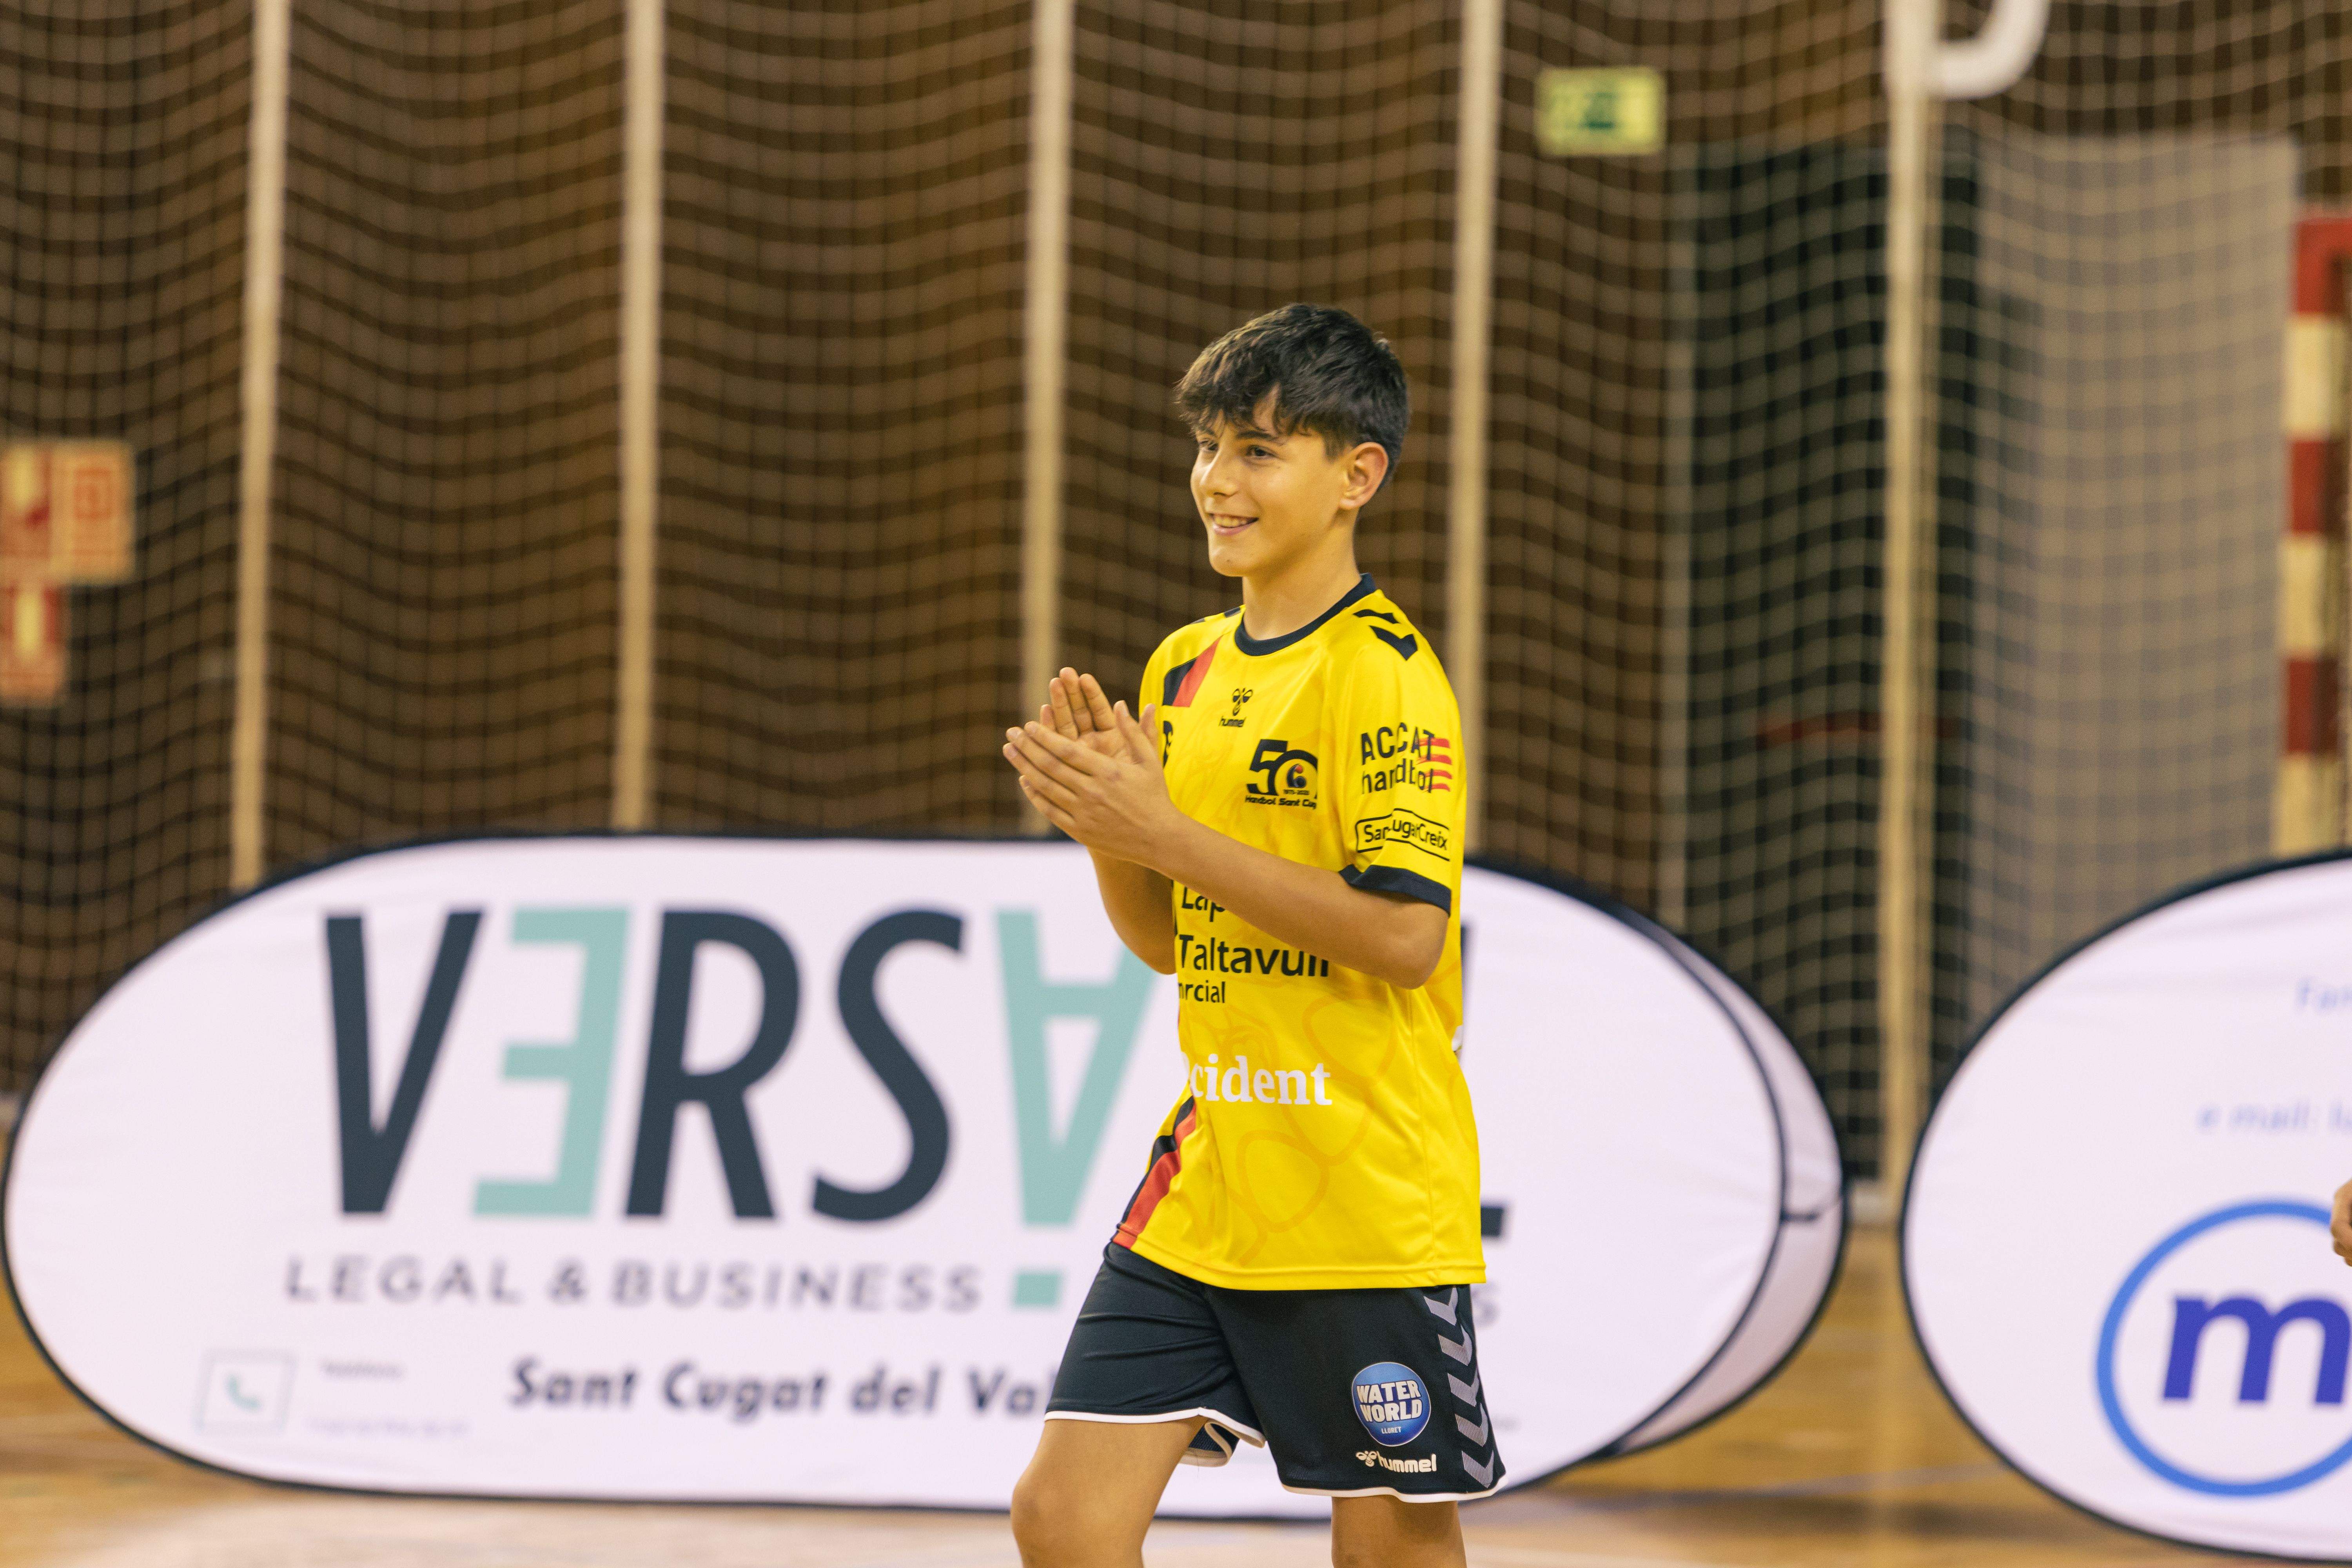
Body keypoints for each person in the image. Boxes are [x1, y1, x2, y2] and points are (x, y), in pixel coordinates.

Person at [1000, 304, 1499, 1568]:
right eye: (1209, 446)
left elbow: (1406, 939)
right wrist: (1110, 832)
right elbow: (1174, 942)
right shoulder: (1184, 667)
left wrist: (1164, 834)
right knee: (1062, 1518)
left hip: (1363, 1196)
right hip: (1209, 1180)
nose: (1218, 481)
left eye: (1260, 451)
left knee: (1389, 1551)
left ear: (1357, 477)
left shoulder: (1382, 673)